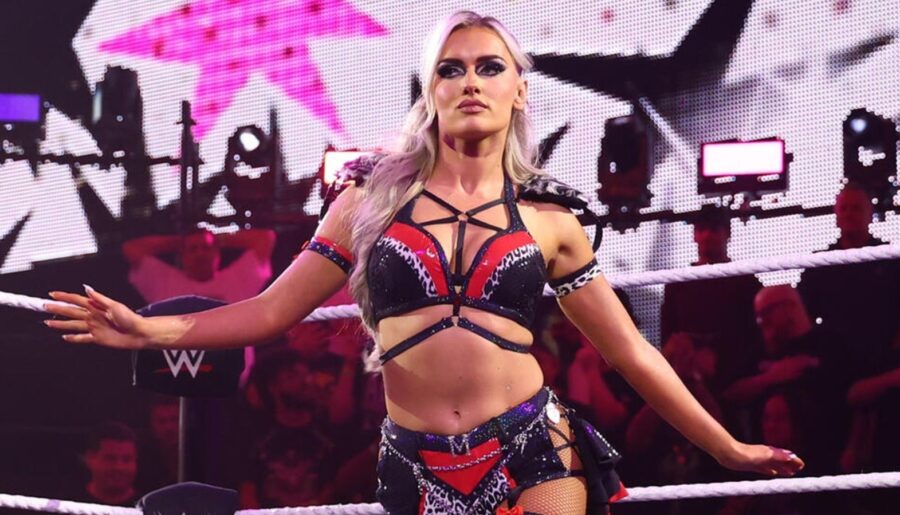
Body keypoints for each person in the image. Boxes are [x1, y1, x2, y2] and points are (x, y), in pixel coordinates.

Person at [45, 11, 802, 514]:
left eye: (489, 67)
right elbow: (271, 311)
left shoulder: (551, 221)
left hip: (535, 447)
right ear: (430, 90)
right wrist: (146, 331)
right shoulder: (368, 202)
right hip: (419, 460)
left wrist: (728, 448)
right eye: (451, 68)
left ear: (519, 90)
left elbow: (631, 352)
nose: (470, 81)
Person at [122, 227, 276, 385]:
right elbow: (132, 249)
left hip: (231, 384)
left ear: (217, 253)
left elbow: (265, 238)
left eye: (206, 248)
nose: (200, 254)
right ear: (182, 255)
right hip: (178, 384)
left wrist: (217, 238)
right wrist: (179, 242)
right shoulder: (165, 282)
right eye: (193, 249)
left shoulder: (237, 280)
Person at [721, 285, 849, 474]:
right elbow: (730, 393)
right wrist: (771, 377)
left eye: (767, 312)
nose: (761, 321)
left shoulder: (829, 344)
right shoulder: (758, 351)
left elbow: (854, 396)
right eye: (758, 315)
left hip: (824, 458)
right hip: (768, 464)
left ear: (790, 307)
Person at [797, 182, 900, 377]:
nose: (849, 214)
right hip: (834, 365)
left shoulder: (891, 259)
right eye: (844, 208)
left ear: (870, 214)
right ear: (836, 215)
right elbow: (802, 315)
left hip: (886, 360)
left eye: (856, 208)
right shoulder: (820, 264)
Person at [660, 204, 761, 392]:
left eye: (714, 229)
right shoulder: (678, 282)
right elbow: (668, 336)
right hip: (683, 373)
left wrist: (719, 356)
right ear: (694, 235)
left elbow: (752, 338)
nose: (707, 236)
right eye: (701, 229)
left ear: (727, 233)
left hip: (734, 377)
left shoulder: (745, 280)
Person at [69, 422, 141, 507]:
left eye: (127, 460)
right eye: (110, 459)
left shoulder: (148, 508)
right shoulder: (68, 506)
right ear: (90, 458)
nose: (119, 467)